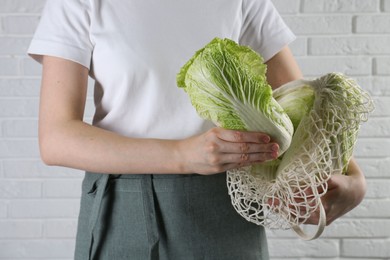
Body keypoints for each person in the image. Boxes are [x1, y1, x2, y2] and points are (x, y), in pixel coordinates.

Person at [28, 0, 366, 259]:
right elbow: (56, 138)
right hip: (122, 210)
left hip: (226, 209)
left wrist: (354, 180)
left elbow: (303, 108)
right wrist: (184, 155)